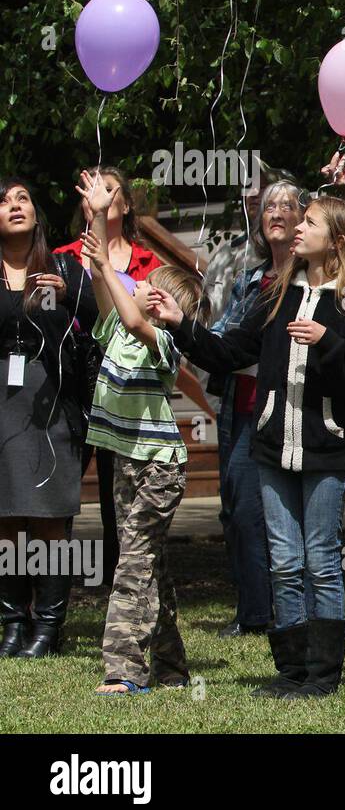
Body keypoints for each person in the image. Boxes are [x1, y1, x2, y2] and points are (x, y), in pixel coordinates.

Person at [150, 195, 345, 699]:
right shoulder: (276, 293)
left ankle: (323, 676)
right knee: (282, 558)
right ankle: (292, 671)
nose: (298, 228)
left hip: (326, 451)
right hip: (273, 448)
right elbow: (230, 350)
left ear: (337, 240)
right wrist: (179, 325)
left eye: (310, 222)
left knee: (320, 557)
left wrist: (327, 341)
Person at [77, 173, 205, 694]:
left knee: (131, 560)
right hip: (126, 459)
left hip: (159, 466)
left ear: (166, 305)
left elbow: (132, 319)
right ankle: (172, 667)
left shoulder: (163, 343)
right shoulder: (121, 329)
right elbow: (105, 294)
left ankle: (123, 670)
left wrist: (109, 263)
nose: (143, 284)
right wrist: (97, 216)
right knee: (153, 561)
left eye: (153, 287)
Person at [54, 164, 214, 579]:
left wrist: (105, 266)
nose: (100, 195)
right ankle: (58, 591)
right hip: (77, 384)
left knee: (121, 505)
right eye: (93, 190)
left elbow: (142, 324)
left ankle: (120, 586)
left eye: (109, 190)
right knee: (64, 490)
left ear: (125, 203)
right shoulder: (65, 260)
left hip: (133, 395)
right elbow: (106, 314)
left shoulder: (148, 265)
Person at [0, 176, 97, 659]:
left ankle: (49, 625)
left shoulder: (62, 266)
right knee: (5, 519)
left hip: (51, 401)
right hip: (2, 403)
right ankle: (14, 622)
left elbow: (97, 318)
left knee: (47, 518)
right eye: (3, 201)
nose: (14, 206)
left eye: (22, 198)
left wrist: (68, 295)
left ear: (36, 214)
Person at [208, 181, 305, 638]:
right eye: (269, 207)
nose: (276, 213)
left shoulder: (310, 282)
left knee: (283, 515)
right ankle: (253, 611)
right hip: (238, 411)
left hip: (287, 410)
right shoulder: (250, 279)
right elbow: (225, 342)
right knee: (238, 511)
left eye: (287, 205)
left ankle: (286, 615)